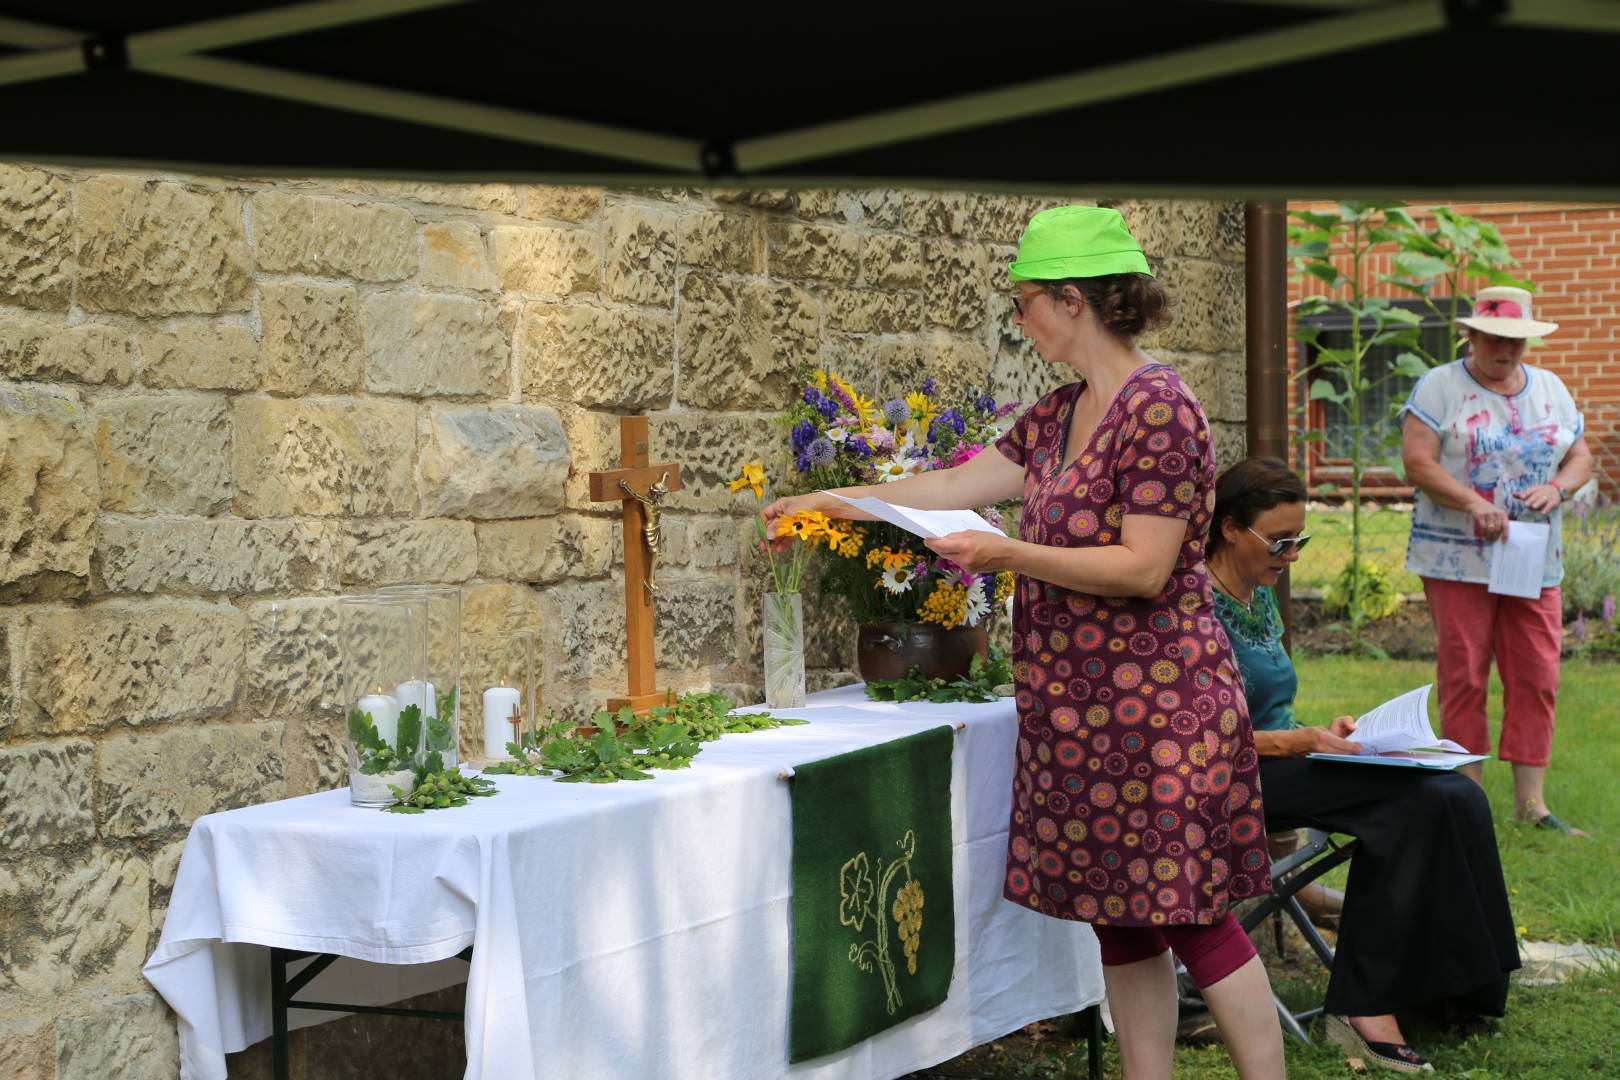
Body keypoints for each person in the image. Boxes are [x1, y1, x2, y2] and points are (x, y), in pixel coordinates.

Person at [765, 206, 1284, 1078]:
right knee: (1120, 914)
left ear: (1073, 300)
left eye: (1025, 300)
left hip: (1161, 710)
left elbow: (1146, 568)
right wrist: (836, 501)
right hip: (1080, 709)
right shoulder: (1059, 413)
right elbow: (960, 480)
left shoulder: (1161, 410)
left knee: (1192, 914)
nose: (1019, 318)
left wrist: (1007, 552)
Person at [1208, 456, 1520, 1074]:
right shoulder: (1194, 604)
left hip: (1285, 757)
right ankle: (1364, 1006)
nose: (1291, 555)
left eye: (1301, 540)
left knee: (1454, 794)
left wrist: (1329, 733)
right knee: (1410, 806)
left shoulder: (1257, 593)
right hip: (1231, 775)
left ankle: (1456, 987)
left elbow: (1272, 703)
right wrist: (1300, 742)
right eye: (1280, 541)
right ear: (1229, 529)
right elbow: (1202, 729)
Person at [1399, 285, 1593, 835]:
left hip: (1533, 560)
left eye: (1515, 341)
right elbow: (1418, 461)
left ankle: (1532, 806)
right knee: (1464, 674)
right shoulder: (1440, 386)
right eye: (1493, 338)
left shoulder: (1551, 389)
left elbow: (1580, 454)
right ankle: (1468, 801)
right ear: (1473, 334)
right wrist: (1471, 502)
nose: (1504, 350)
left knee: (1536, 674)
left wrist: (1558, 488)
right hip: (1456, 561)